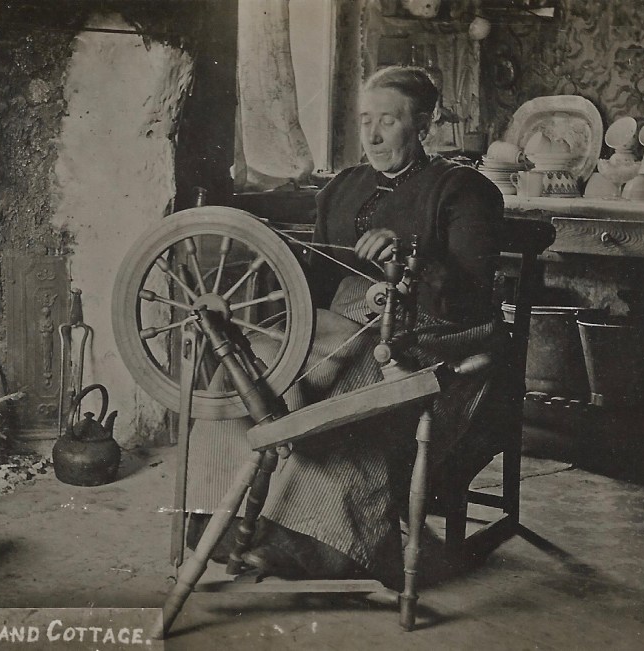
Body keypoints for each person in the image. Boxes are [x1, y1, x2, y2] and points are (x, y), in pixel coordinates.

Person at [185, 65, 505, 588]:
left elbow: (470, 293)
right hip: (351, 316)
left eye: (389, 121)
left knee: (351, 388)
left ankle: (315, 544)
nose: (372, 136)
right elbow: (315, 281)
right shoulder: (342, 188)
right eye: (365, 121)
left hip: (434, 328)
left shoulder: (462, 189)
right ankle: (218, 519)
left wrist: (408, 258)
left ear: (423, 125)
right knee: (244, 362)